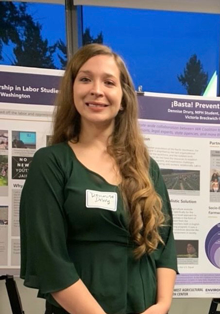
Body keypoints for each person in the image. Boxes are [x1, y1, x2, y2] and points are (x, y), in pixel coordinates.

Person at [19, 44, 178, 314]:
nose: (96, 90)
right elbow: (49, 260)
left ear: (123, 97)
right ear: (72, 90)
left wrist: (162, 306)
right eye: (85, 79)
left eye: (108, 82)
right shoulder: (52, 164)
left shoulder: (146, 168)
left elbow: (165, 245)